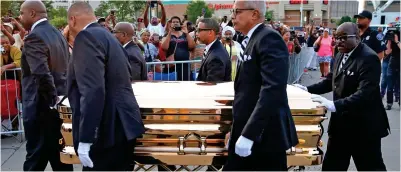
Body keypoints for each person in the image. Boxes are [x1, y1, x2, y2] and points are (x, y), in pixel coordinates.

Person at [294, 22, 389, 171]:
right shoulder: (339, 54)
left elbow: (365, 93)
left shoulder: (369, 58)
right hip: (341, 126)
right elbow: (330, 81)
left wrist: (333, 105)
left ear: (357, 37)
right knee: (332, 166)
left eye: (343, 37)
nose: (338, 41)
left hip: (363, 127)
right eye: (337, 37)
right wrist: (306, 89)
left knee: (371, 166)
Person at [66, 2, 145, 170]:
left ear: (72, 20)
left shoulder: (86, 37)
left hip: (105, 131)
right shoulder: (109, 37)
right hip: (123, 126)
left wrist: (86, 138)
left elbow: (93, 90)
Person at [223, 0, 298, 171]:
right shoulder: (251, 39)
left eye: (237, 12)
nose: (233, 17)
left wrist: (250, 134)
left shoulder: (268, 38)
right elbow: (248, 91)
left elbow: (272, 90)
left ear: (254, 14)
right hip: (250, 130)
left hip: (265, 135)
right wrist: (236, 130)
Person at [18, 1, 73, 171]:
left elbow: (41, 73)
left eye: (21, 13)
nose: (20, 17)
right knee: (60, 158)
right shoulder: (57, 34)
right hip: (57, 108)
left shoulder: (35, 37)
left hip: (41, 108)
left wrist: (51, 101)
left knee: (35, 158)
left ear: (32, 13)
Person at [161, 16, 196, 81]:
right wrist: (169, 32)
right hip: (172, 65)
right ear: (170, 24)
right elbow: (164, 47)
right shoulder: (166, 35)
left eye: (177, 22)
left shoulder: (185, 34)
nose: (175, 23)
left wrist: (187, 33)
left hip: (185, 65)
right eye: (173, 22)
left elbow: (192, 46)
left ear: (180, 24)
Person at [384, 29, 400, 109]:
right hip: (392, 62)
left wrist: (397, 41)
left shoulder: (398, 39)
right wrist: (389, 41)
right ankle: (389, 103)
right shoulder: (391, 39)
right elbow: (387, 52)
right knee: (389, 85)